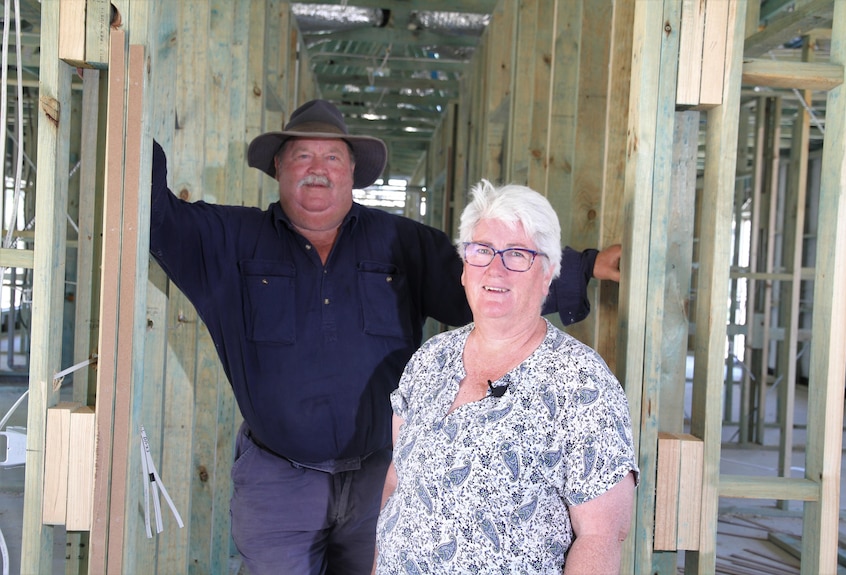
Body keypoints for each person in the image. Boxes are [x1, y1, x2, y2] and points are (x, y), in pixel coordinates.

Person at [148, 99, 621, 575]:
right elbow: (155, 214)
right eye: (301, 156)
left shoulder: (401, 242)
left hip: (381, 476)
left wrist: (587, 266)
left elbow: (490, 272)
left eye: (332, 157)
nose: (318, 169)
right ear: (278, 166)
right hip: (279, 479)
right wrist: (128, 102)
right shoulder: (229, 241)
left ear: (352, 169)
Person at [375, 180, 638, 574]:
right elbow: (398, 482)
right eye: (481, 251)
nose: (494, 268)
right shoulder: (430, 359)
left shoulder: (580, 382)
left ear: (548, 273)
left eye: (517, 254)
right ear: (464, 268)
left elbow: (602, 535)